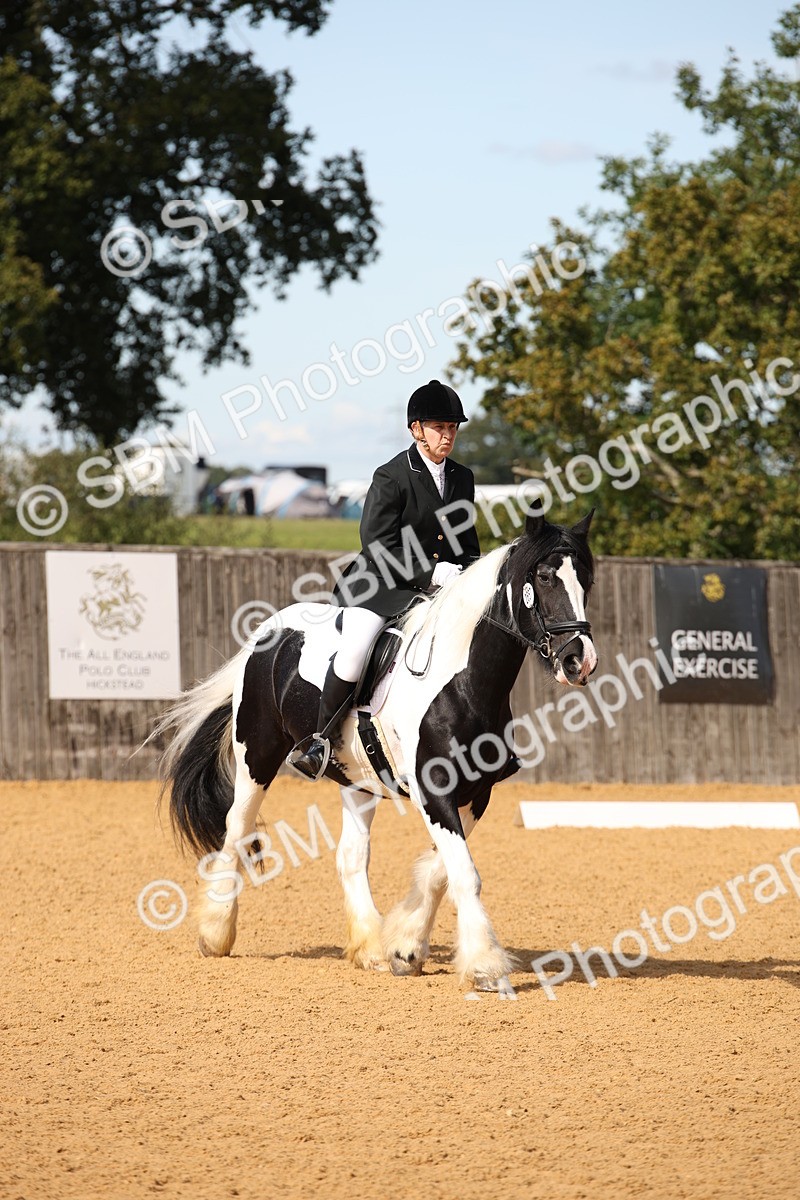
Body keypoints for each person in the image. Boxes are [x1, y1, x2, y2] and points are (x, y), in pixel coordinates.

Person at [287, 378, 481, 781]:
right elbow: (377, 545)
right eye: (439, 428)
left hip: (440, 587)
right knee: (358, 646)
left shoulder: (462, 478)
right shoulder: (391, 475)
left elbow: (467, 540)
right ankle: (319, 741)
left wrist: (472, 575)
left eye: (452, 429)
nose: (447, 436)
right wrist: (431, 572)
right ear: (416, 430)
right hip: (380, 585)